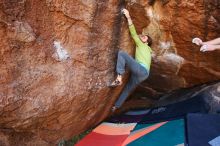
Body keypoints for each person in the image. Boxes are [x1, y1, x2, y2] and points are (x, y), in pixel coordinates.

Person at [109, 9, 153, 111]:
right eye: (143, 36)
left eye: (146, 38)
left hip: (141, 70)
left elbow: (133, 31)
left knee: (122, 54)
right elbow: (136, 34)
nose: (143, 37)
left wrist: (128, 16)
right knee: (128, 89)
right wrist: (140, 36)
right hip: (143, 75)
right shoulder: (149, 50)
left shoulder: (142, 44)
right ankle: (116, 106)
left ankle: (119, 77)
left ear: (146, 42)